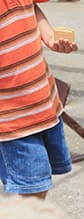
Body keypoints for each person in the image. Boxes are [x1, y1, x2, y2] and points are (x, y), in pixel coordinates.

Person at [0, 0, 78, 200]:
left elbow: (31, 7)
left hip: (42, 103)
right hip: (10, 120)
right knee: (33, 188)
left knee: (38, 181)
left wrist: (50, 36)